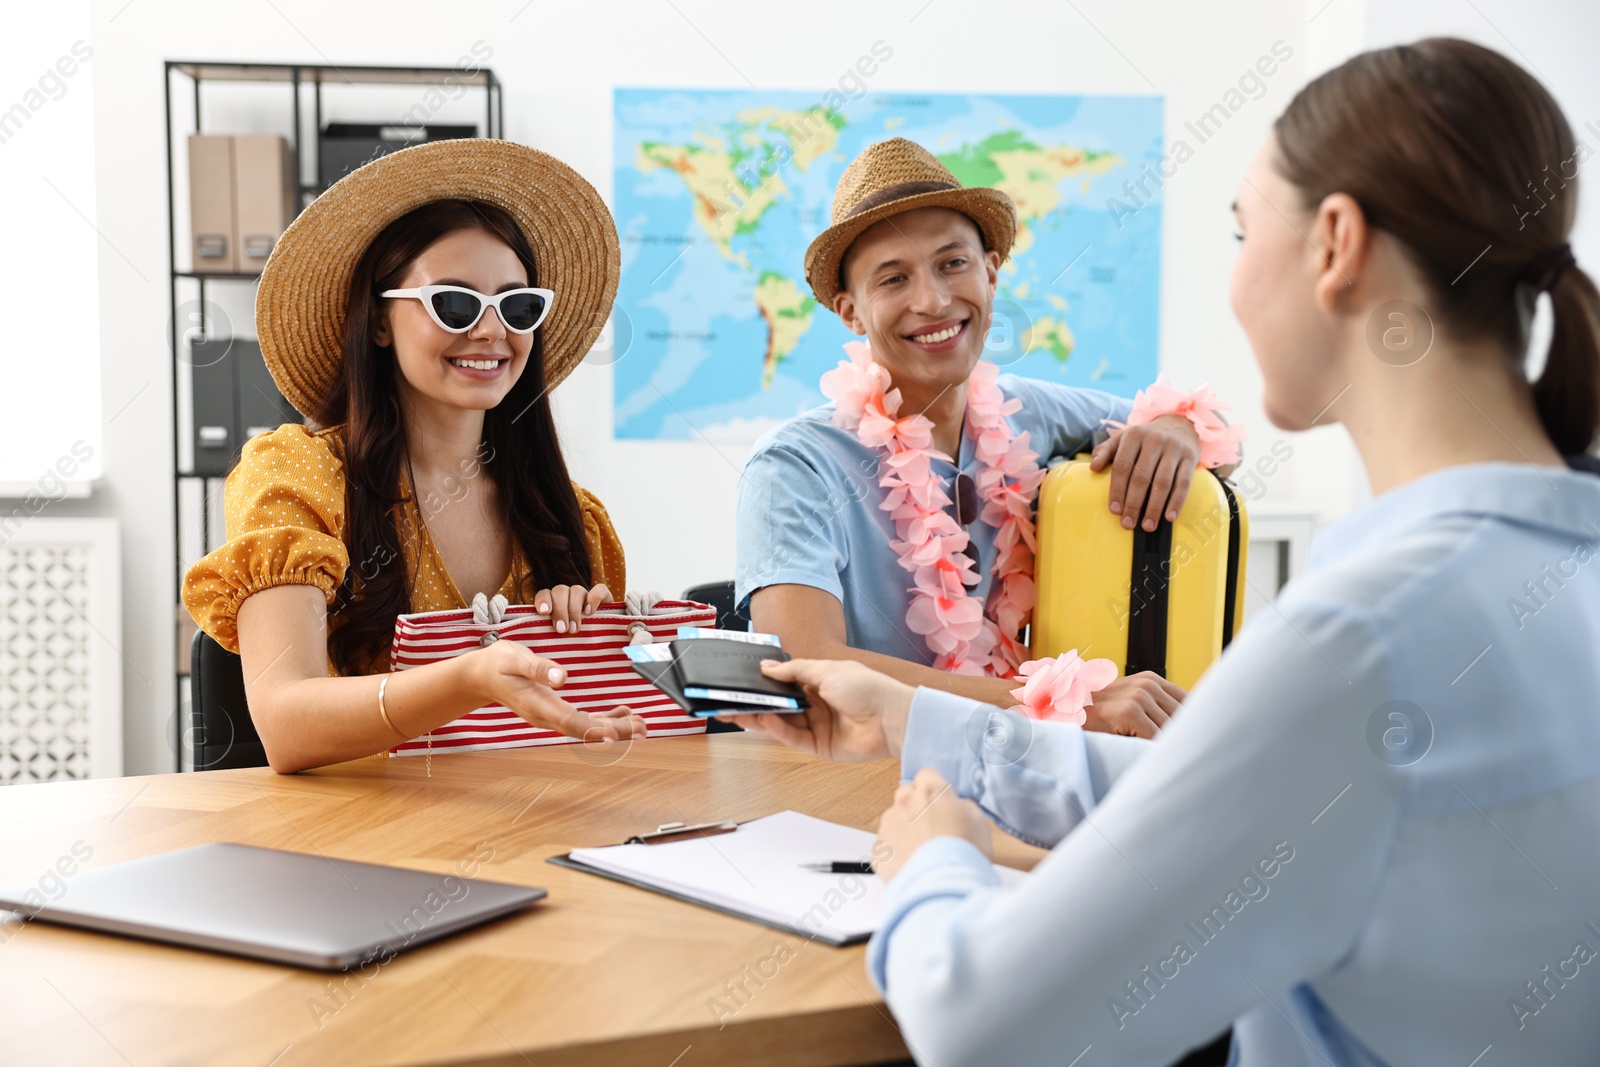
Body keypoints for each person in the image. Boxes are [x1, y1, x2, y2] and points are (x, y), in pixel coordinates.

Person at [725, 38, 1600, 1064]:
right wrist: (924, 719)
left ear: (1335, 244)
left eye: (1238, 232)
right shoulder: (1522, 588)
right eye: (894, 277)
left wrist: (934, 862)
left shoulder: (1354, 642)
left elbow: (985, 1020)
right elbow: (1242, 792)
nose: (1230, 283)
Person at [735, 138, 1242, 739]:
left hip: (1009, 769)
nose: (933, 300)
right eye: (894, 279)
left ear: (992, 272)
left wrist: (1177, 428)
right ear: (851, 312)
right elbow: (804, 666)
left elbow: (1226, 442)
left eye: (953, 263)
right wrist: (1061, 702)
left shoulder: (1029, 411)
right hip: (854, 776)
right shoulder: (793, 467)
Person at [183, 140, 645, 774]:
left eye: (517, 306)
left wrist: (606, 671)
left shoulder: (570, 516)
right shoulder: (298, 475)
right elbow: (286, 724)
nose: (490, 332)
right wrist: (470, 677)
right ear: (378, 322)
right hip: (362, 844)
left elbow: (592, 734)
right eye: (452, 304)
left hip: (530, 823)